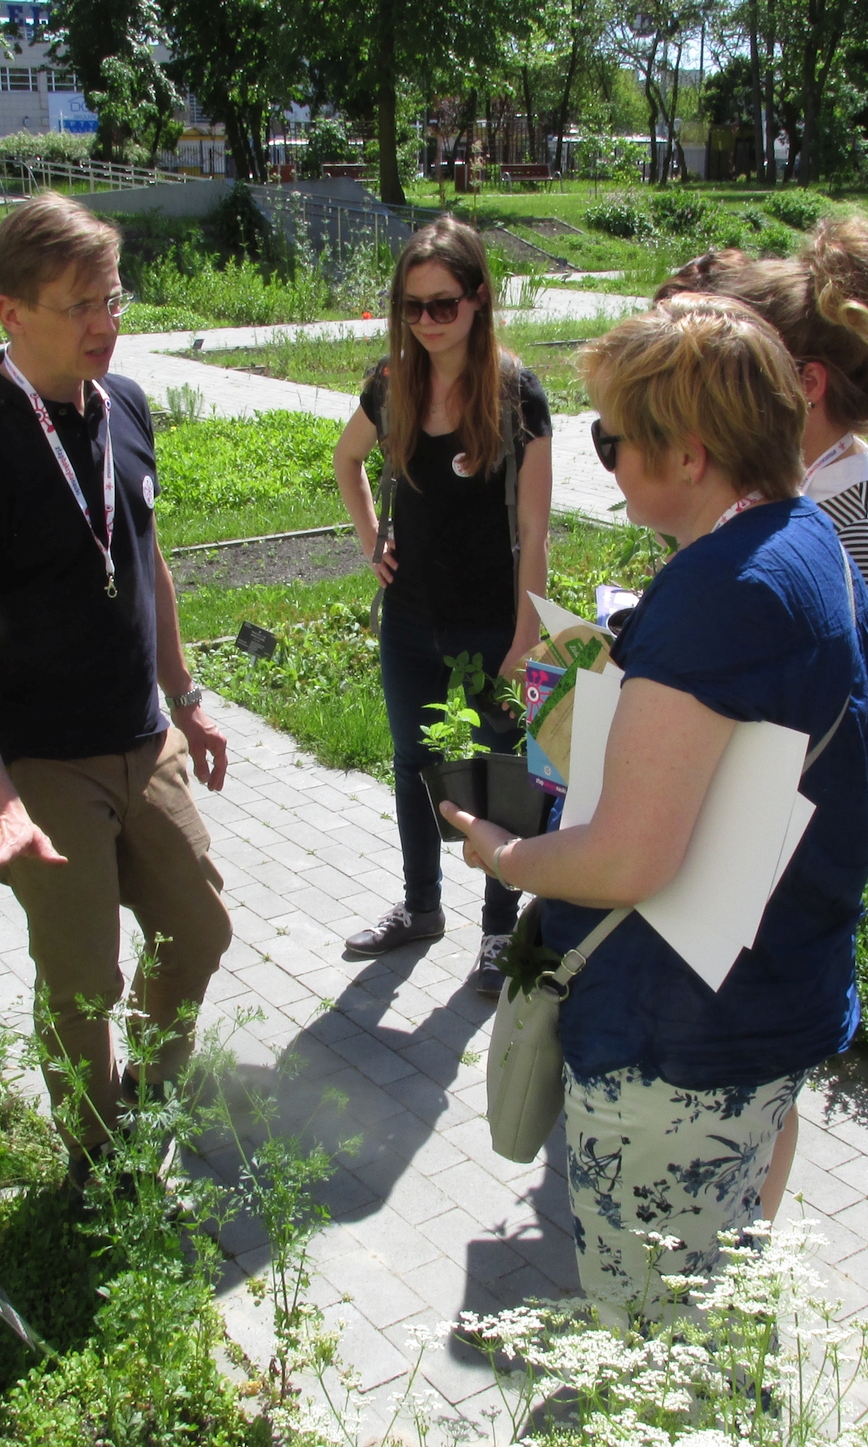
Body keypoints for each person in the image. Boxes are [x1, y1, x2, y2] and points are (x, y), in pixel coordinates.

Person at [445, 295, 868, 1321]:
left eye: (613, 441)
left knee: (657, 1337)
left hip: (681, 1039)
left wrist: (504, 858)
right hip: (768, 999)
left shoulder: (725, 590)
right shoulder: (805, 537)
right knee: (717, 1302)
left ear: (688, 454)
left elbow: (628, 859)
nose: (604, 462)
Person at [0, 193, 233, 1180]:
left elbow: (146, 560)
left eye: (113, 299)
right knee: (82, 981)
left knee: (198, 932)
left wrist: (186, 700)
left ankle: (148, 1093)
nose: (105, 323)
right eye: (79, 305)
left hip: (143, 737)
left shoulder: (123, 405)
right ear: (11, 312)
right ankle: (96, 1162)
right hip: (42, 764)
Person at [655, 216, 868, 1218]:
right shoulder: (780, 500)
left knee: (761, 1085)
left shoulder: (857, 532)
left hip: (775, 867)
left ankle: (744, 1242)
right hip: (727, 852)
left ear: (800, 384)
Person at [332, 218, 554, 998]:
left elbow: (535, 529)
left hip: (495, 623)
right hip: (411, 619)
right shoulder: (392, 385)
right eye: (412, 306)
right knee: (414, 763)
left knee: (502, 771)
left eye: (443, 304)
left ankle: (498, 932)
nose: (427, 321)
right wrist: (372, 541)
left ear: (479, 298)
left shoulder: (517, 393)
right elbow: (346, 459)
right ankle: (421, 908)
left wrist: (526, 635)